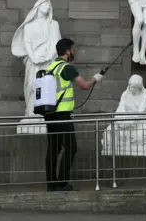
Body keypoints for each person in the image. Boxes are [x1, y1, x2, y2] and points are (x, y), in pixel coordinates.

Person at [43, 38, 103, 191]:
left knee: (54, 148)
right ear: (68, 51)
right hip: (62, 114)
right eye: (73, 50)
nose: (74, 52)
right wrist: (96, 78)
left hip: (50, 113)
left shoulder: (51, 66)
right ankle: (63, 182)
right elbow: (84, 85)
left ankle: (51, 183)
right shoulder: (66, 68)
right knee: (71, 147)